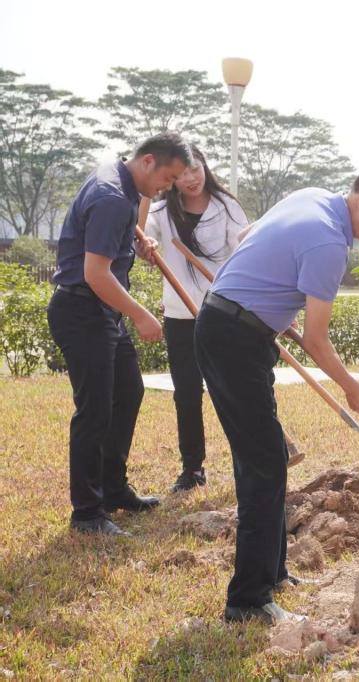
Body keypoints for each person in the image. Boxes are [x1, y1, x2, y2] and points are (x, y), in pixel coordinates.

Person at [194, 158, 359, 624]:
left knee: (269, 456)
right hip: (233, 338)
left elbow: (247, 237)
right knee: (262, 465)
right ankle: (247, 601)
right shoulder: (328, 242)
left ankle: (274, 574)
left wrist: (273, 294)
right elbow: (318, 340)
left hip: (235, 329)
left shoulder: (312, 198)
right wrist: (353, 388)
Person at [48, 132, 193, 536]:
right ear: (148, 161)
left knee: (128, 391)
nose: (167, 187)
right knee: (95, 410)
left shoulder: (120, 178)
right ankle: (87, 513)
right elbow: (96, 274)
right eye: (168, 177)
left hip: (102, 311)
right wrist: (142, 315)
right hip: (82, 310)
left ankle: (113, 488)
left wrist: (135, 240)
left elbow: (107, 239)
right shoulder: (112, 196)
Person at [145, 144, 248, 492]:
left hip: (223, 312)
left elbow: (245, 251)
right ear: (171, 177)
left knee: (234, 389)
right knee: (187, 392)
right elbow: (143, 234)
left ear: (205, 166)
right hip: (180, 315)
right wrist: (146, 245)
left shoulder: (227, 206)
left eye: (196, 169)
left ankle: (250, 458)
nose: (191, 178)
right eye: (182, 173)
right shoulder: (161, 211)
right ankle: (192, 469)